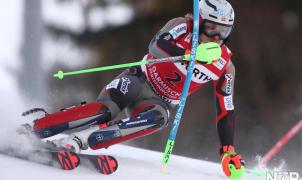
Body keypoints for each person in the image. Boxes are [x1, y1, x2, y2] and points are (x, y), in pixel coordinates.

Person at [22, 0, 245, 177]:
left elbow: (226, 109)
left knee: (159, 118)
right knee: (104, 111)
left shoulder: (224, 66)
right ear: (198, 22)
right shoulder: (181, 26)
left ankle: (78, 141)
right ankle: (35, 127)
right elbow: (156, 46)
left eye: (224, 32)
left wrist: (228, 152)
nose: (217, 38)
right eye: (212, 28)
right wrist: (188, 55)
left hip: (158, 102)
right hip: (139, 79)